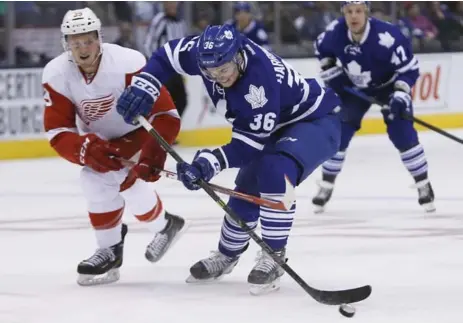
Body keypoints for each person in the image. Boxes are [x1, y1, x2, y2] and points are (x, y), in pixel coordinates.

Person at [115, 24, 342, 295]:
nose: (218, 77)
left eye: (224, 70)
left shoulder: (259, 82)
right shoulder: (207, 54)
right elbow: (166, 55)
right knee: (246, 185)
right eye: (210, 73)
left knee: (274, 170)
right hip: (276, 124)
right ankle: (227, 254)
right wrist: (146, 86)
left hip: (317, 121)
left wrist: (207, 163)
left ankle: (274, 254)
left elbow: (247, 146)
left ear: (238, 57)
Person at [42, 8, 186, 286]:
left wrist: (153, 153)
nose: (83, 49)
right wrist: (82, 148)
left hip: (138, 135)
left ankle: (112, 247)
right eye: (76, 42)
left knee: (104, 179)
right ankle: (162, 227)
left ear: (100, 38)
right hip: (100, 141)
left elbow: (167, 114)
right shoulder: (56, 73)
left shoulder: (127, 63)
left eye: (88, 40)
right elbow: (58, 130)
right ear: (66, 44)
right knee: (104, 179)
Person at [312, 1, 435, 213]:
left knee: (403, 134)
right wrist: (333, 74)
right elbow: (321, 50)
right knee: (338, 132)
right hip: (354, 90)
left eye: (358, 11)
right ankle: (326, 184)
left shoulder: (388, 37)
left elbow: (409, 69)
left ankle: (423, 184)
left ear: (366, 12)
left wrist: (400, 94)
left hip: (388, 88)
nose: (353, 16)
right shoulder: (334, 32)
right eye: (349, 11)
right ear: (343, 13)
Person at [144, 1, 188, 120]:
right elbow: (148, 44)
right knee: (163, 105)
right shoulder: (159, 20)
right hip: (163, 70)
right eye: (168, 2)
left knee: (182, 101)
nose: (171, 4)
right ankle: (162, 136)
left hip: (175, 71)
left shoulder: (180, 22)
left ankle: (169, 135)